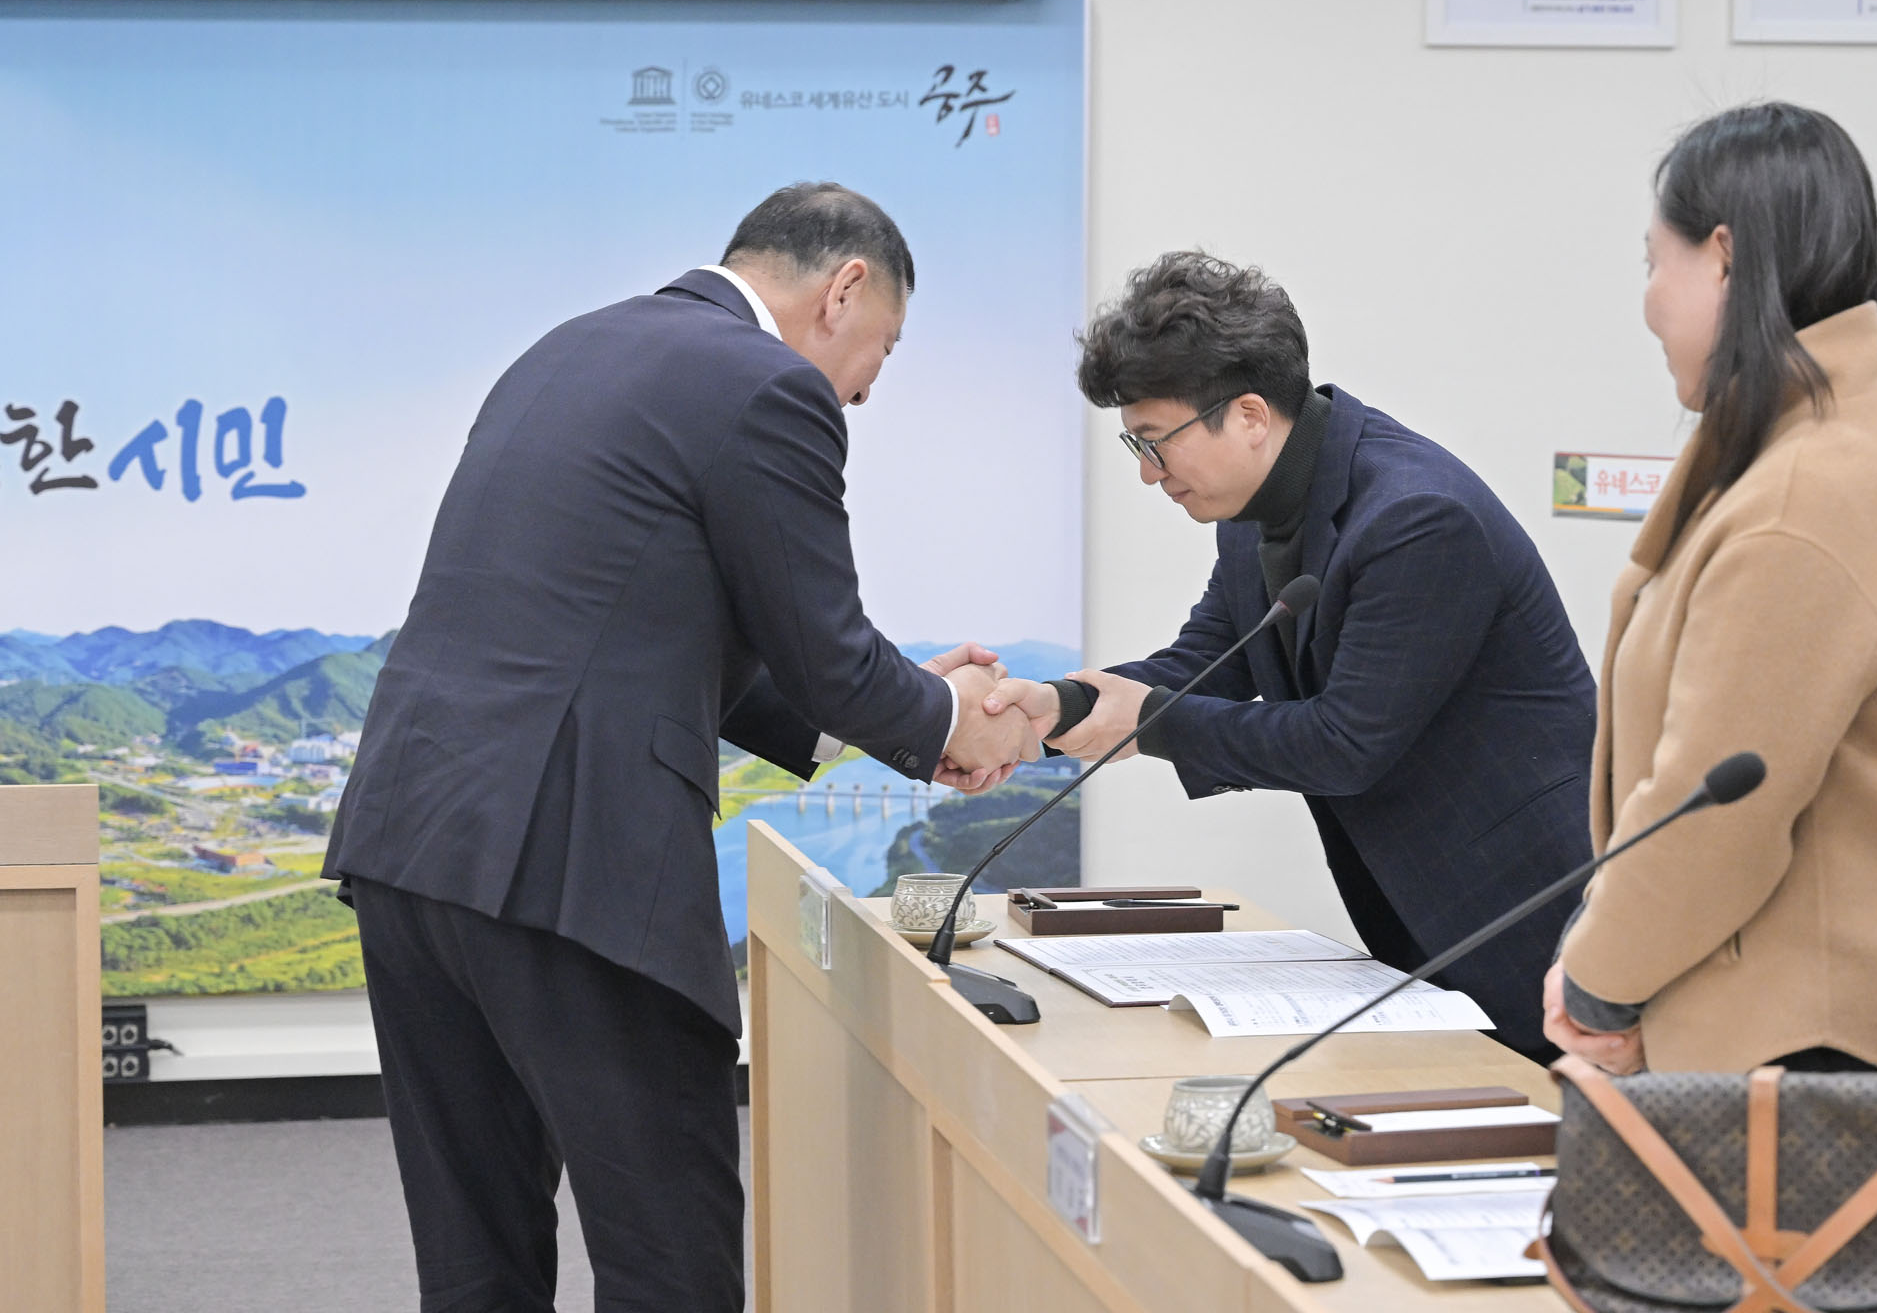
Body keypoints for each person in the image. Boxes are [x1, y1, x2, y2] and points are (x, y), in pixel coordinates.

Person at [322, 182, 1038, 1312]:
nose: (865, 388)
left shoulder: (567, 350)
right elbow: (826, 649)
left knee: (475, 1260)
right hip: (569, 861)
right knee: (671, 1258)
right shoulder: (767, 385)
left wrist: (906, 700)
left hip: (411, 840)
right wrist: (950, 719)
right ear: (844, 289)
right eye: (884, 349)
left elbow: (640, 625)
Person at [989, 250, 1597, 1058]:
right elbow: (1209, 661)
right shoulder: (1259, 509)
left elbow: (1346, 743)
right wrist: (1059, 705)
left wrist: (1153, 722)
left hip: (1531, 918)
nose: (1148, 475)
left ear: (1248, 415)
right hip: (1416, 915)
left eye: (1155, 443)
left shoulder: (1418, 519)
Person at [1545, 104, 1877, 1090]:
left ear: (1723, 257)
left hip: (1830, 1068)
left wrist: (1597, 985)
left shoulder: (1808, 489)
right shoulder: (1819, 435)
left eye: (1654, 262)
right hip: (1797, 1038)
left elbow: (1716, 807)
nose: (1648, 302)